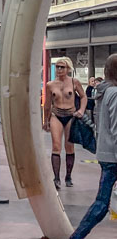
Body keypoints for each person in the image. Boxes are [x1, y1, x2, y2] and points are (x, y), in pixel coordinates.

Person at [57, 53, 117, 239]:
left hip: (106, 153)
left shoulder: (103, 93)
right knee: (101, 204)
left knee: (102, 203)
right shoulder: (115, 94)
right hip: (114, 156)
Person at [43, 56, 86, 189]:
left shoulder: (74, 82)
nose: (59, 69)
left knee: (69, 146)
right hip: (56, 115)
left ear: (68, 69)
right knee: (56, 146)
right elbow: (47, 104)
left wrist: (81, 110)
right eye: (58, 67)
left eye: (62, 67)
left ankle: (68, 175)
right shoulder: (50, 84)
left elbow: (83, 96)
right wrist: (46, 120)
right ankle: (56, 178)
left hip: (70, 115)